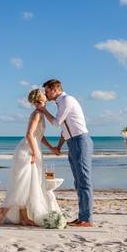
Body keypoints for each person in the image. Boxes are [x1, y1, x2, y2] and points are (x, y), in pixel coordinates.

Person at [0, 88, 62, 227]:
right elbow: (29, 134)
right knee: (22, 185)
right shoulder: (37, 114)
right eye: (42, 95)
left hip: (32, 149)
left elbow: (39, 136)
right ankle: (2, 210)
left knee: (29, 184)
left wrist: (51, 148)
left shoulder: (41, 114)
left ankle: (24, 217)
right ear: (38, 100)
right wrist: (35, 152)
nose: (45, 94)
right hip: (28, 151)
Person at [37, 79, 94, 227]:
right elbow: (65, 129)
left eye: (47, 91)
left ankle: (87, 219)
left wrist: (43, 110)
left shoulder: (67, 100)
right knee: (78, 181)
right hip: (72, 142)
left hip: (80, 141)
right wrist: (59, 146)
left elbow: (56, 123)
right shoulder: (61, 103)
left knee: (84, 181)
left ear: (55, 89)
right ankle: (82, 216)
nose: (46, 94)